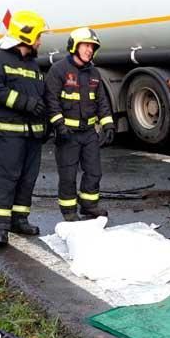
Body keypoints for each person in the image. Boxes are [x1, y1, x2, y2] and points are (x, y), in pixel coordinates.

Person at [0, 10, 48, 246]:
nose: (40, 41)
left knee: (27, 179)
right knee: (5, 179)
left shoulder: (32, 63)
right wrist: (25, 103)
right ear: (26, 36)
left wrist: (45, 125)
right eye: (38, 36)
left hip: (30, 133)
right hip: (7, 131)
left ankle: (19, 219)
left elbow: (39, 96)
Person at [45, 27, 114, 222]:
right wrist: (59, 126)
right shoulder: (58, 70)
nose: (89, 50)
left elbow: (101, 102)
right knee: (68, 174)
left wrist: (108, 125)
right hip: (67, 133)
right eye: (85, 45)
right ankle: (68, 211)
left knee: (94, 171)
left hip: (89, 133)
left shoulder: (94, 73)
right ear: (74, 46)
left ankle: (89, 206)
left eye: (92, 47)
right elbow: (51, 101)